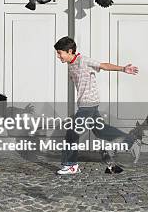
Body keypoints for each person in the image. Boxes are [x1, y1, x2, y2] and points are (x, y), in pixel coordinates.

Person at [53, 36, 139, 175]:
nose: (58, 56)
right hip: (85, 104)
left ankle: (70, 165)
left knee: (72, 132)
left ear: (69, 51)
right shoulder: (70, 65)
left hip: (89, 103)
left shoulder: (84, 60)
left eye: (59, 53)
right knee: (101, 130)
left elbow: (103, 66)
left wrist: (123, 69)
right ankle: (129, 139)